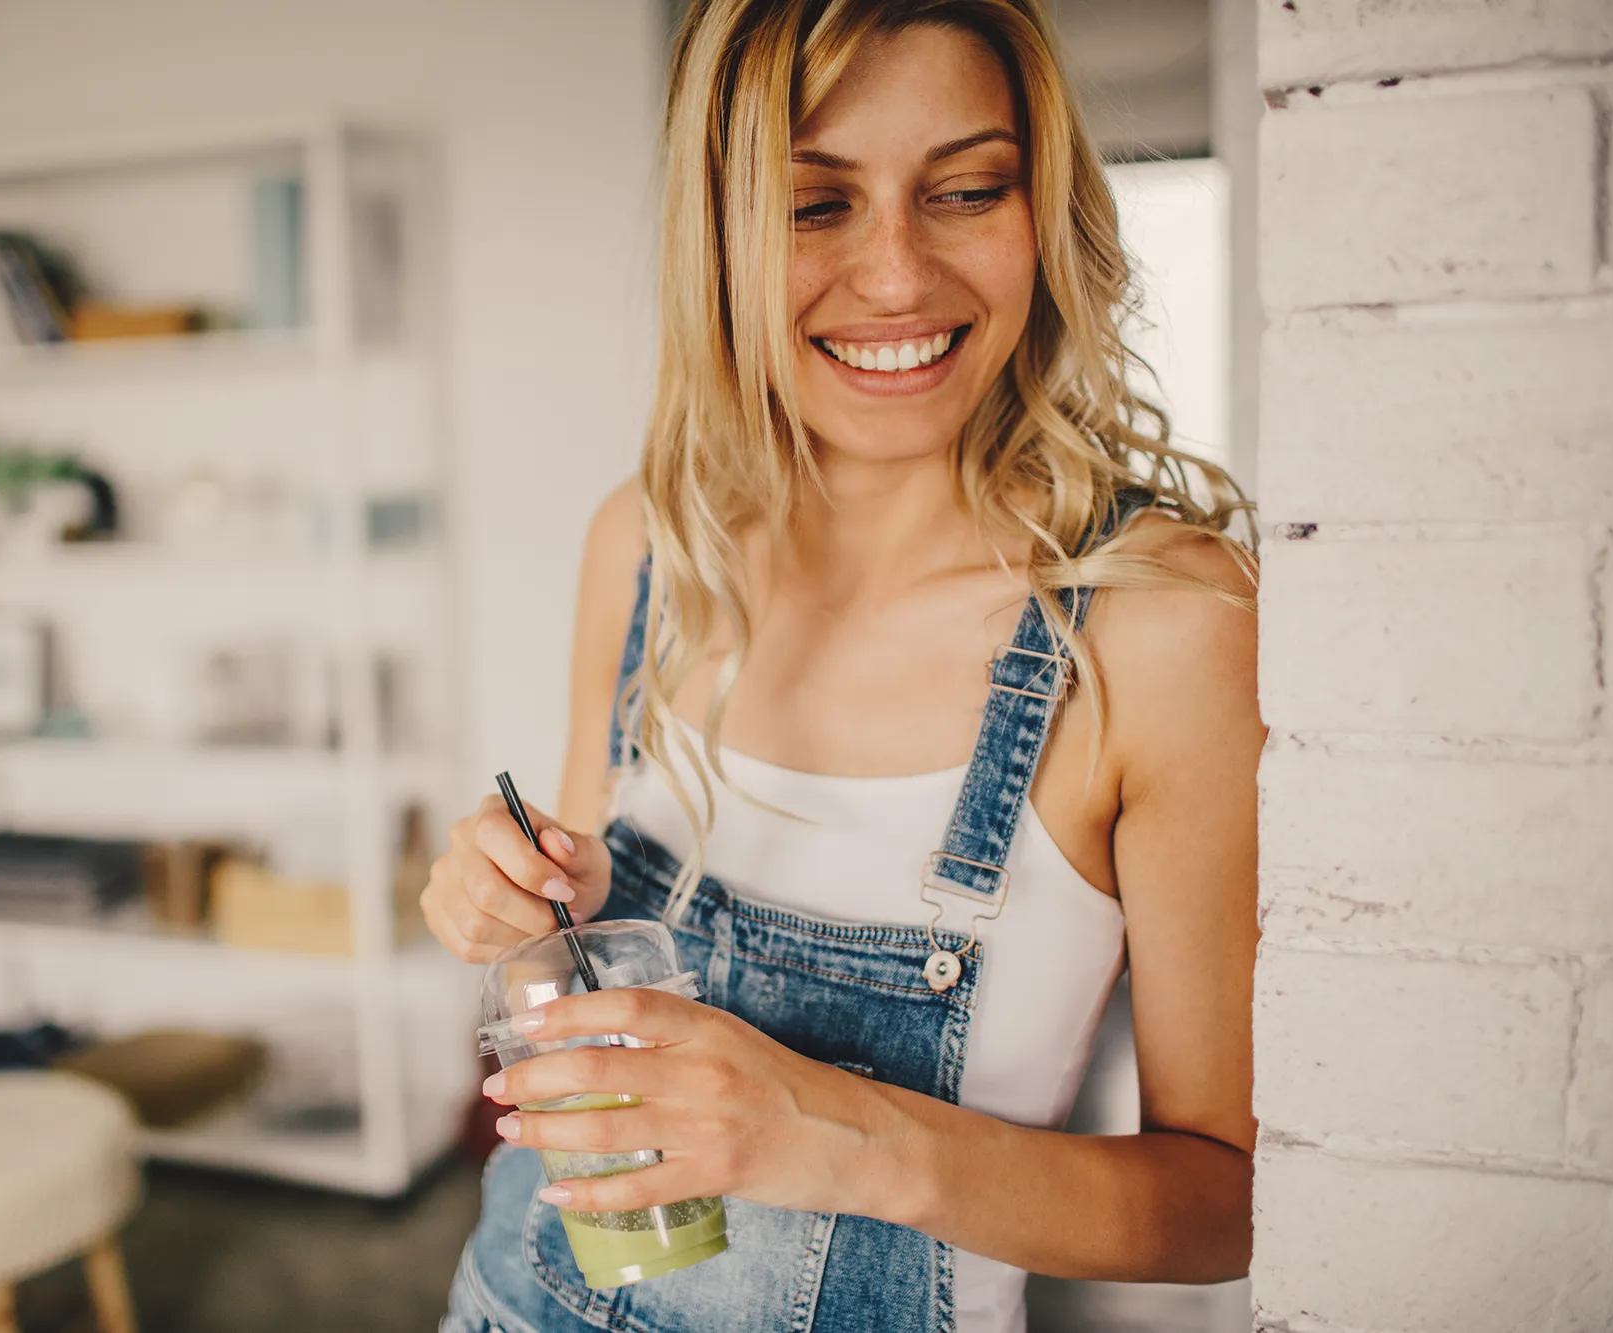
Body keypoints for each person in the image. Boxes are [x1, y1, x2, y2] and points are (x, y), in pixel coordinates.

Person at [425, 1, 1262, 1329]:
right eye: (815, 206)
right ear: (720, 238)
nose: (896, 278)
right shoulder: (649, 542)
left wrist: (840, 1133)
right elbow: (570, 934)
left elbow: (1229, 1206)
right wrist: (506, 904)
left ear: (1043, 205)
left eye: (966, 191)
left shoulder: (1162, 628)